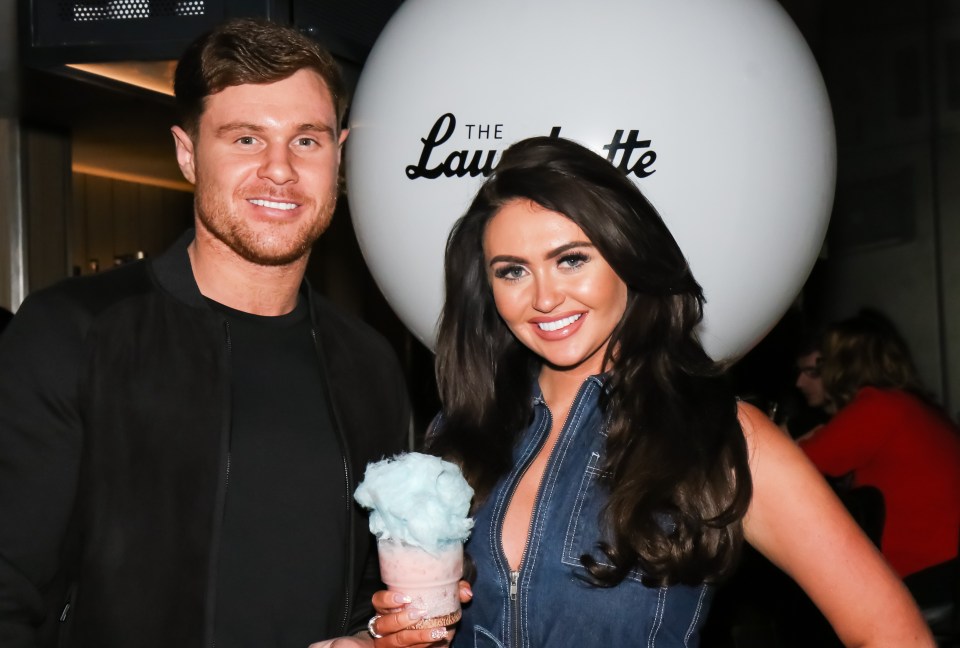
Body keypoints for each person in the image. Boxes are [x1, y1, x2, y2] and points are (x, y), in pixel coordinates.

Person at [367, 137, 933, 647]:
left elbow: (890, 632)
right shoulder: (462, 431)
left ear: (627, 258)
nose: (543, 297)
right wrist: (390, 636)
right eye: (512, 271)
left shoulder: (719, 436)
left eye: (571, 259)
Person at [0, 18, 414, 648]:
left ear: (340, 152)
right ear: (187, 153)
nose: (280, 170)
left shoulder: (369, 362)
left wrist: (370, 634)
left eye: (307, 141)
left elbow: (366, 586)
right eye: (246, 138)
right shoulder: (74, 334)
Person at [799, 311, 960, 581]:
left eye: (820, 366)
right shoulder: (911, 405)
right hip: (944, 569)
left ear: (843, 365)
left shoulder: (877, 407)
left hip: (925, 574)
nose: (805, 380)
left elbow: (796, 467)